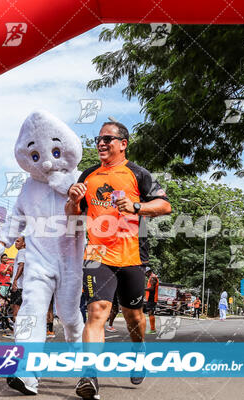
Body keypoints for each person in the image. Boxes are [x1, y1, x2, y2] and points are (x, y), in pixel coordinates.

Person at [66, 120, 171, 399]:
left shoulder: (138, 174)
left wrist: (137, 206)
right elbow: (73, 220)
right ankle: (89, 376)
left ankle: (138, 353)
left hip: (132, 255)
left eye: (107, 138)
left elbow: (165, 205)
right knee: (97, 311)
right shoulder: (87, 175)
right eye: (98, 138)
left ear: (123, 144)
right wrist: (74, 201)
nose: (101, 143)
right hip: (97, 253)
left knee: (132, 315)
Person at [9, 237, 26, 321]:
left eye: (18, 241)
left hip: (19, 285)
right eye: (15, 241)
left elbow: (21, 265)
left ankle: (17, 332)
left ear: (24, 243)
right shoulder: (23, 252)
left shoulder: (22, 252)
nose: (16, 243)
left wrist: (15, 280)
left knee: (16, 309)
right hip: (21, 285)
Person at [144, 267, 159, 334]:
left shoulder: (153, 278)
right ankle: (153, 329)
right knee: (150, 313)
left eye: (146, 273)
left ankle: (153, 329)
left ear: (149, 272)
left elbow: (152, 288)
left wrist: (143, 289)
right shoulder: (152, 277)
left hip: (152, 298)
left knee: (151, 313)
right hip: (151, 298)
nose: (145, 274)